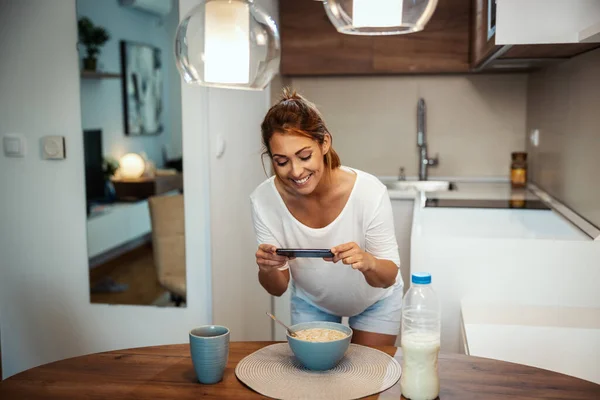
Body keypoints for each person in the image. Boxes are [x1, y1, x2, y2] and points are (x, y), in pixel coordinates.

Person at [250, 88, 403, 346]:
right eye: (281, 161)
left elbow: (387, 277)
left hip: (376, 302)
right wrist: (268, 268)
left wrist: (367, 262)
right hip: (312, 302)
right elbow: (277, 287)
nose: (296, 171)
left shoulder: (369, 192)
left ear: (324, 143)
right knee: (314, 381)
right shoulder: (264, 200)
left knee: (368, 379)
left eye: (304, 156)